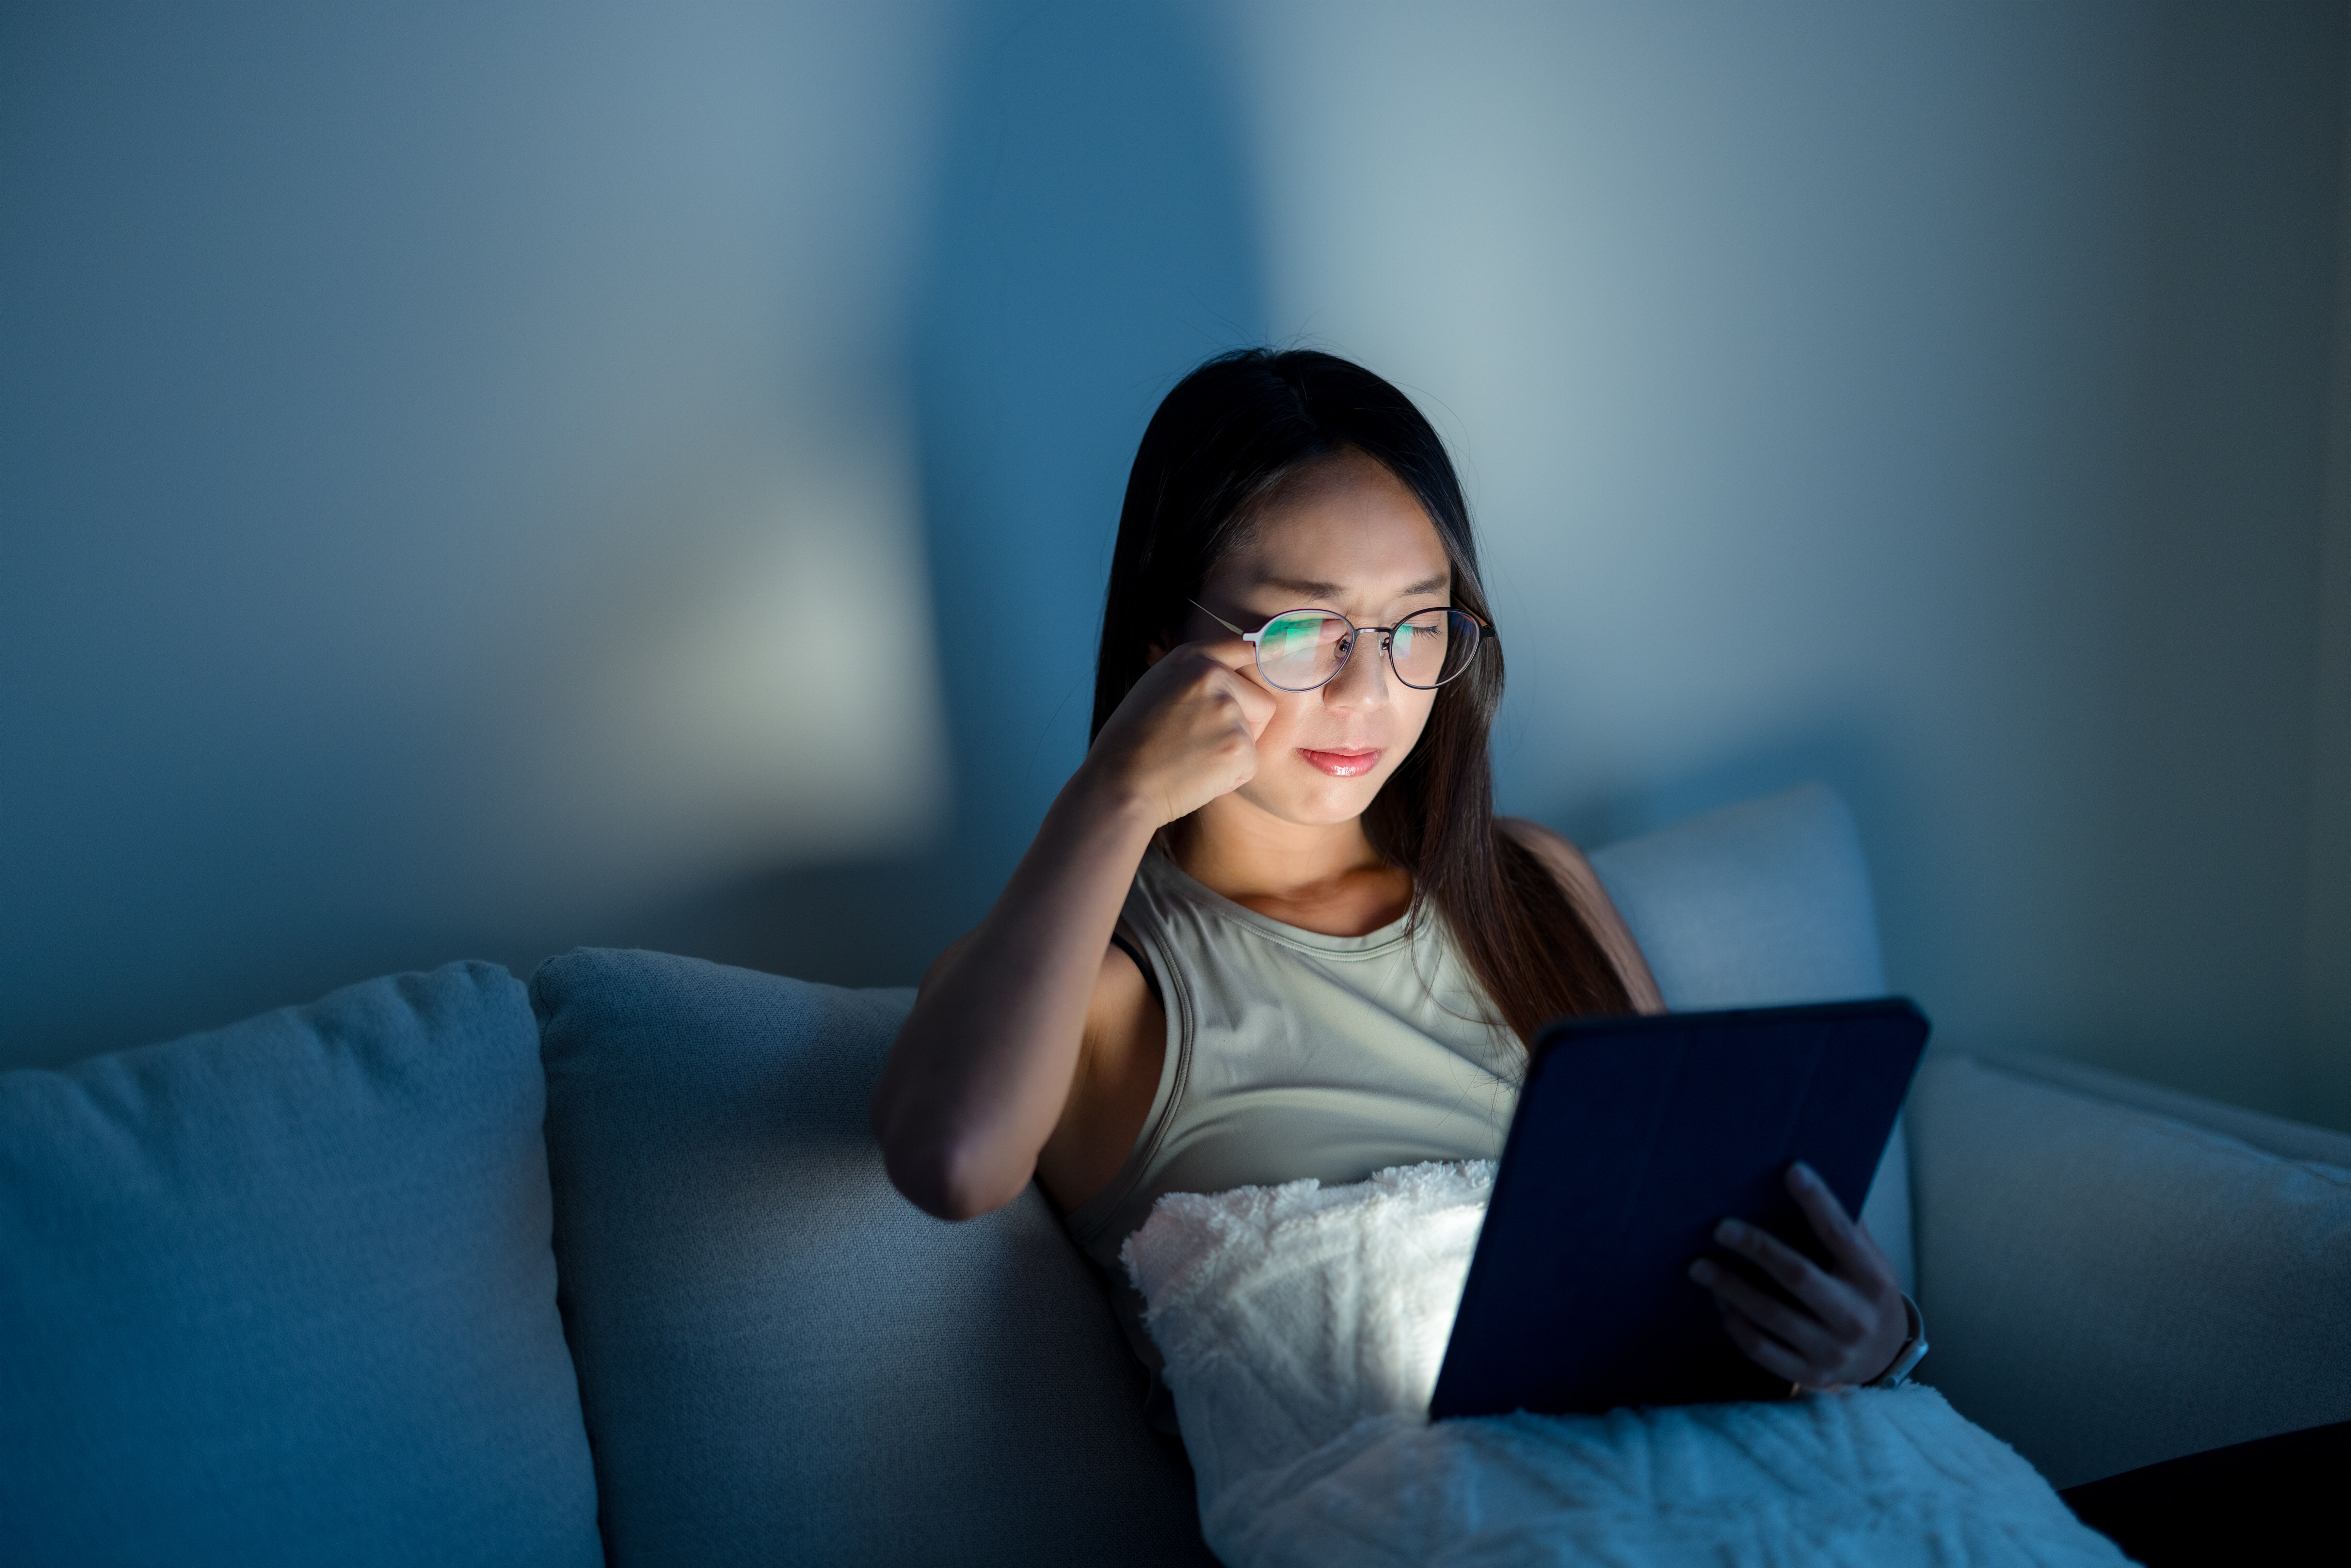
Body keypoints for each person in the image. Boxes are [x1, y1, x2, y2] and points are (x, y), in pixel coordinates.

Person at [871, 348, 1913, 1415]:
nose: (1369, 693)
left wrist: (1875, 1342)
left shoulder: (1533, 888)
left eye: (1417, 625)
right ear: (1164, 648)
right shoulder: (1113, 987)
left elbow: (1694, 1247)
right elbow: (952, 1159)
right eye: (1305, 631)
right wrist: (1113, 795)